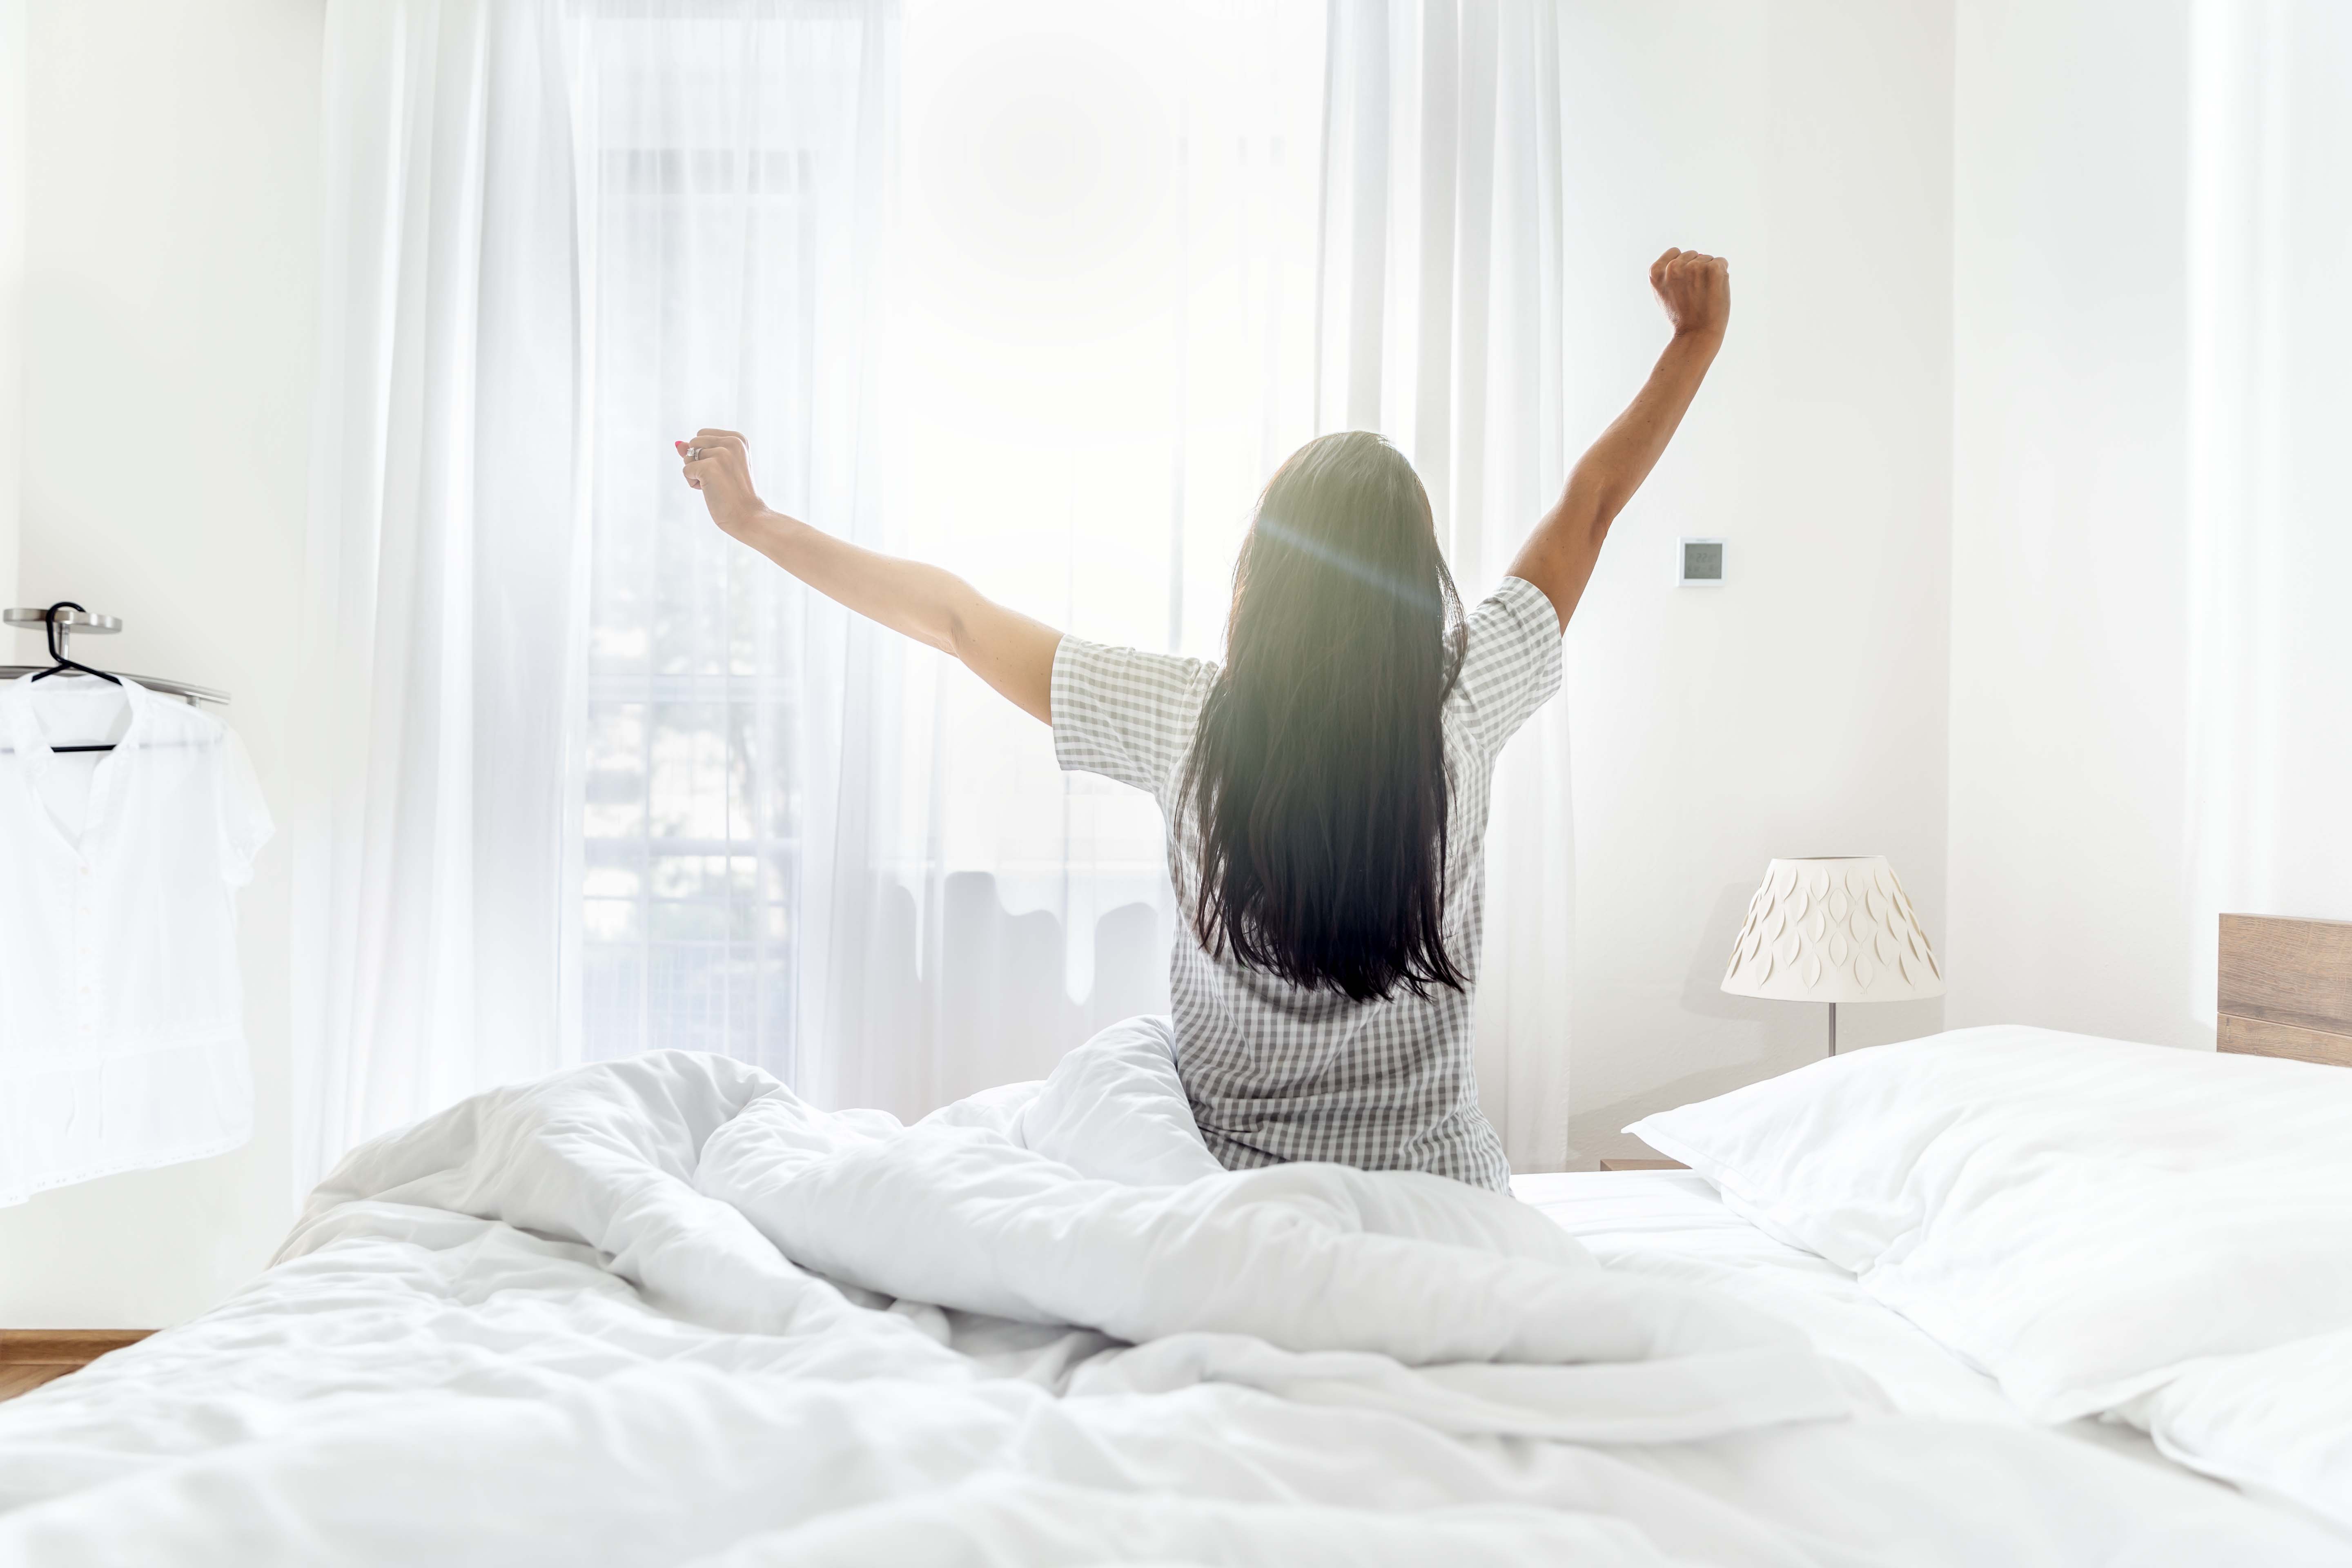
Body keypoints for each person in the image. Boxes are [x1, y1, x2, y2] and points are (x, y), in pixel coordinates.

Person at [679, 247, 1730, 1190]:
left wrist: (759, 523)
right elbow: (1591, 503)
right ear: (1421, 587)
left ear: (1262, 580)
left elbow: (956, 619)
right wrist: (1694, 342)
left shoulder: (1186, 720)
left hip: (1225, 1197)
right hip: (1436, 1191)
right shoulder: (1469, 698)